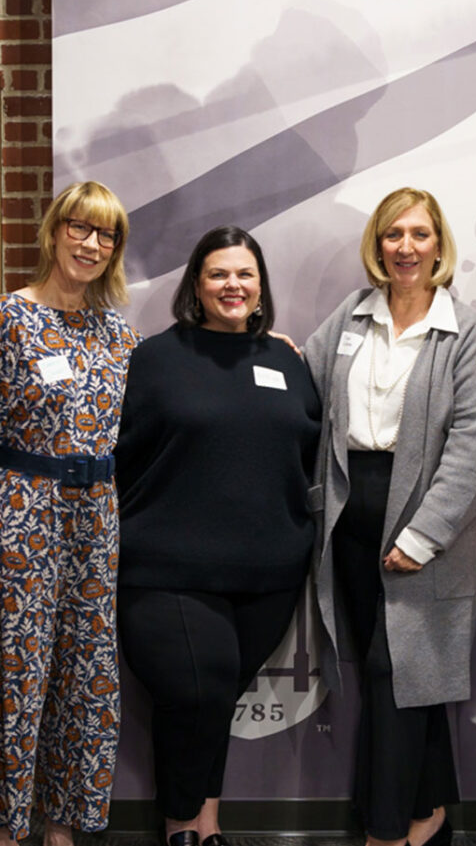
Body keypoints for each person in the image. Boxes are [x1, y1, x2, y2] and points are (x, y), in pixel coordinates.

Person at [114, 226, 322, 846]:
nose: (233, 285)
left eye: (245, 274)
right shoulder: (153, 358)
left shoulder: (287, 359)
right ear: (196, 287)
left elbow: (305, 452)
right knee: (196, 689)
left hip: (268, 573)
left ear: (259, 287)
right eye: (218, 274)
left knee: (215, 699)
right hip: (166, 569)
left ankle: (206, 827)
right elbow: (122, 456)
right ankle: (182, 825)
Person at [302, 188, 476, 846]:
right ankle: (431, 809)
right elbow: (307, 388)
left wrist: (423, 534)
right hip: (350, 514)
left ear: (438, 243)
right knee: (402, 673)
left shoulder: (462, 328)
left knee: (395, 671)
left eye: (419, 233)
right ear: (378, 244)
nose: (406, 247)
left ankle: (384, 832)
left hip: (424, 520)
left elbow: (473, 444)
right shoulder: (351, 317)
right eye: (393, 234)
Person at [0, 181, 141, 846]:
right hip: (20, 510)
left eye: (106, 234)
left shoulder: (120, 332)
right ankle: (3, 829)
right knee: (15, 671)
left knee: (84, 674)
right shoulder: (6, 316)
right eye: (79, 228)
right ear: (56, 230)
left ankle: (62, 826)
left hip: (95, 518)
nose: (90, 244)